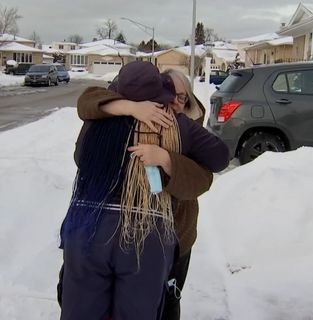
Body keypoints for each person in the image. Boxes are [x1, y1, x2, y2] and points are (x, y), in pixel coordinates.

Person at [59, 61, 229, 320]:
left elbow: (80, 158)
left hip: (88, 227)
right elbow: (220, 157)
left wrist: (167, 159)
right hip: (146, 233)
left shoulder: (96, 121)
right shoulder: (177, 125)